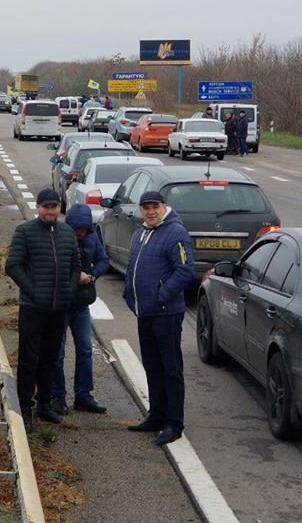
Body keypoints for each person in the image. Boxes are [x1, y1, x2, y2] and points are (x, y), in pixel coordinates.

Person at [5, 189, 81, 433]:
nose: (51, 211)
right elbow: (13, 265)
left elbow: (75, 265)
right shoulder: (25, 232)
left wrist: (68, 292)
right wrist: (33, 292)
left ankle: (44, 404)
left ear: (59, 208)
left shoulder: (67, 233)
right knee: (29, 359)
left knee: (50, 358)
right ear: (38, 208)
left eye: (54, 206)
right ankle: (24, 408)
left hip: (58, 309)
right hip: (32, 309)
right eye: (46, 207)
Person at [124, 190, 194, 446]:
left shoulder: (175, 233)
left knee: (170, 369)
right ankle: (156, 415)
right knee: (152, 367)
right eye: (146, 208)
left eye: (155, 207)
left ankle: (173, 423)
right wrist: (129, 296)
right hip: (145, 312)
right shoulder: (141, 233)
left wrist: (161, 296)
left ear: (164, 207)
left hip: (166, 313)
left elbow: (185, 270)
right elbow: (132, 266)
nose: (150, 212)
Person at [51, 204, 110, 416]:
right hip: (61, 304)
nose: (81, 234)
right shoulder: (60, 238)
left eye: (84, 230)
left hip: (82, 305)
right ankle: (57, 395)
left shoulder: (92, 240)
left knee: (85, 350)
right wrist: (76, 276)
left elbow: (104, 260)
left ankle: (83, 395)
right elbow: (54, 265)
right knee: (57, 353)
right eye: (78, 229)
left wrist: (92, 274)